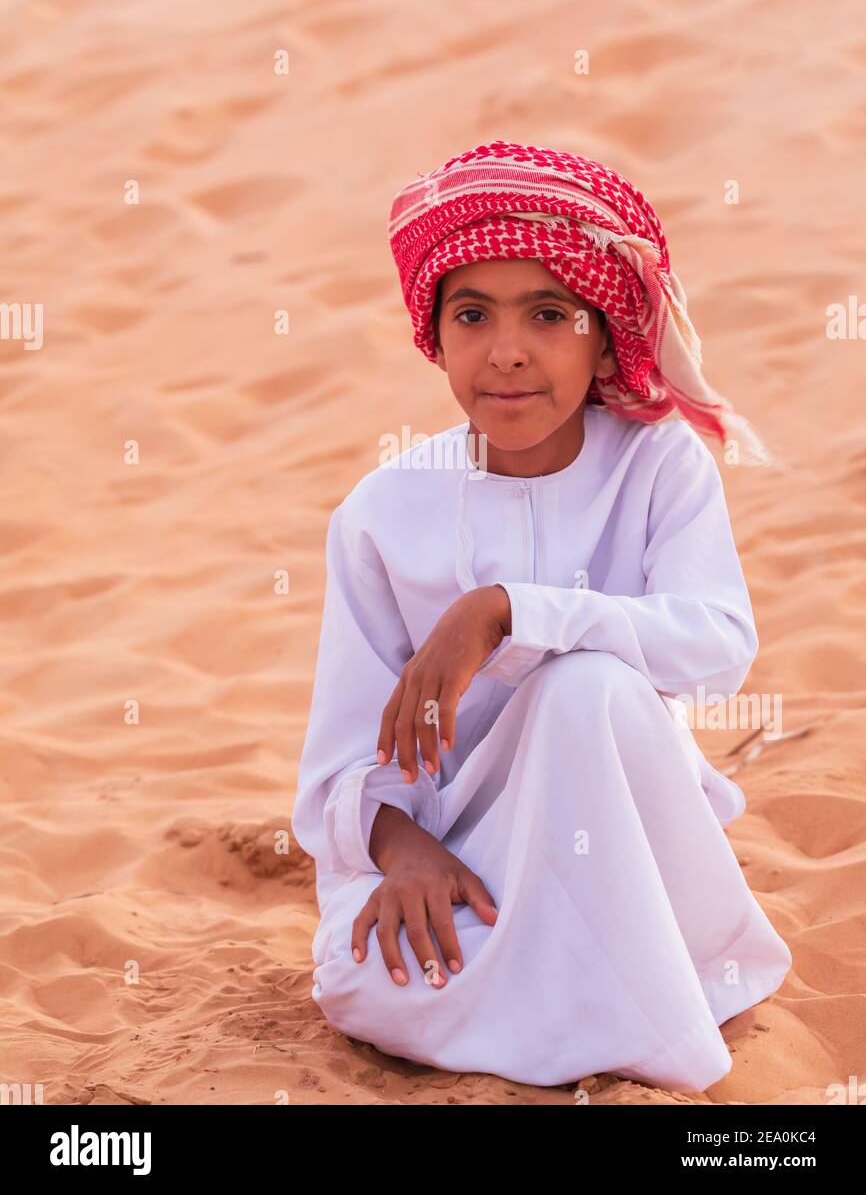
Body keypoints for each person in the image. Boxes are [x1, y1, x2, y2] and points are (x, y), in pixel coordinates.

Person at [290, 139, 792, 1092]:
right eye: (471, 315)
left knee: (587, 686)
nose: (508, 352)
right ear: (434, 336)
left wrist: (508, 611)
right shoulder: (383, 513)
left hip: (639, 851)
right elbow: (336, 768)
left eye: (549, 315)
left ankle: (610, 999)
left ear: (601, 334)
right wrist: (407, 855)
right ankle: (590, 997)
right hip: (466, 862)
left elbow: (717, 647)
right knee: (365, 978)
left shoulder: (658, 466)